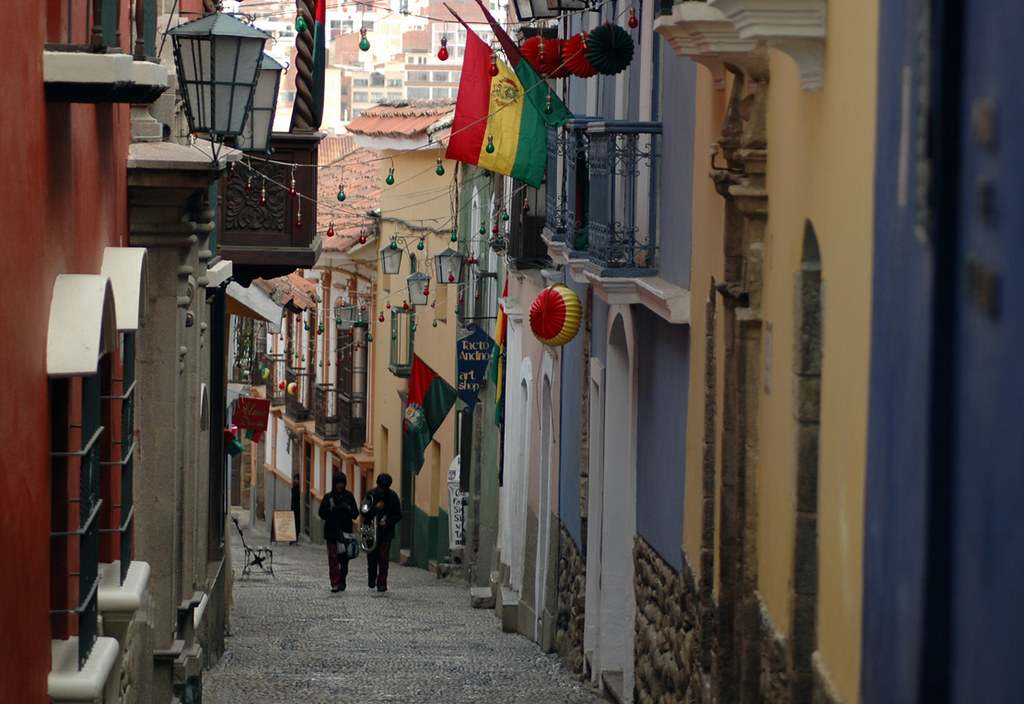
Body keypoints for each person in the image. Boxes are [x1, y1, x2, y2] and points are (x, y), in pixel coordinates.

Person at [318, 472, 359, 592]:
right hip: (331, 532)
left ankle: (342, 578)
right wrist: (333, 510)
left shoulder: (349, 496)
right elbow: (322, 513)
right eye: (338, 483)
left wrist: (347, 509)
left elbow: (355, 514)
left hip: (346, 532)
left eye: (342, 483)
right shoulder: (328, 497)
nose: (340, 485)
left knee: (344, 560)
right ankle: (335, 582)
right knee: (333, 558)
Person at [361, 473, 402, 592]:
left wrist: (388, 522)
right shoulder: (370, 494)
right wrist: (375, 508)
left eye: (384, 488)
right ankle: (372, 578)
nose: (382, 491)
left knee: (383, 558)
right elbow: (363, 511)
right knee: (372, 558)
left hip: (385, 532)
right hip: (371, 530)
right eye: (381, 488)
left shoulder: (392, 496)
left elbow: (398, 515)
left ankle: (382, 583)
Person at [290, 474, 300, 545]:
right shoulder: (295, 487)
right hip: (294, 507)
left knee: (296, 523)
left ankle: (295, 537)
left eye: (296, 479)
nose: (295, 480)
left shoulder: (297, 488)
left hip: (297, 508)